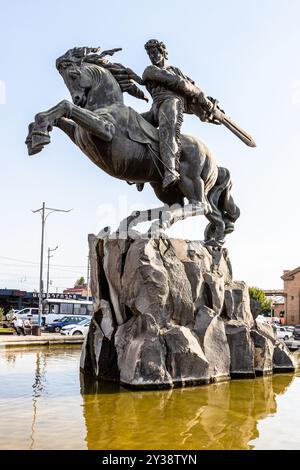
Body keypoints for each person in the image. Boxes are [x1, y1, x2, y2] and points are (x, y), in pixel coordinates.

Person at [142, 39, 213, 190]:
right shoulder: (150, 70)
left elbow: (190, 90)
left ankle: (170, 170)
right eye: (149, 54)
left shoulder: (176, 70)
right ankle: (139, 170)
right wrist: (200, 95)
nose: (152, 56)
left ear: (162, 52)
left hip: (171, 103)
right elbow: (179, 83)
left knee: (168, 129)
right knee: (133, 122)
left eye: (154, 53)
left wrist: (208, 106)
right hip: (155, 107)